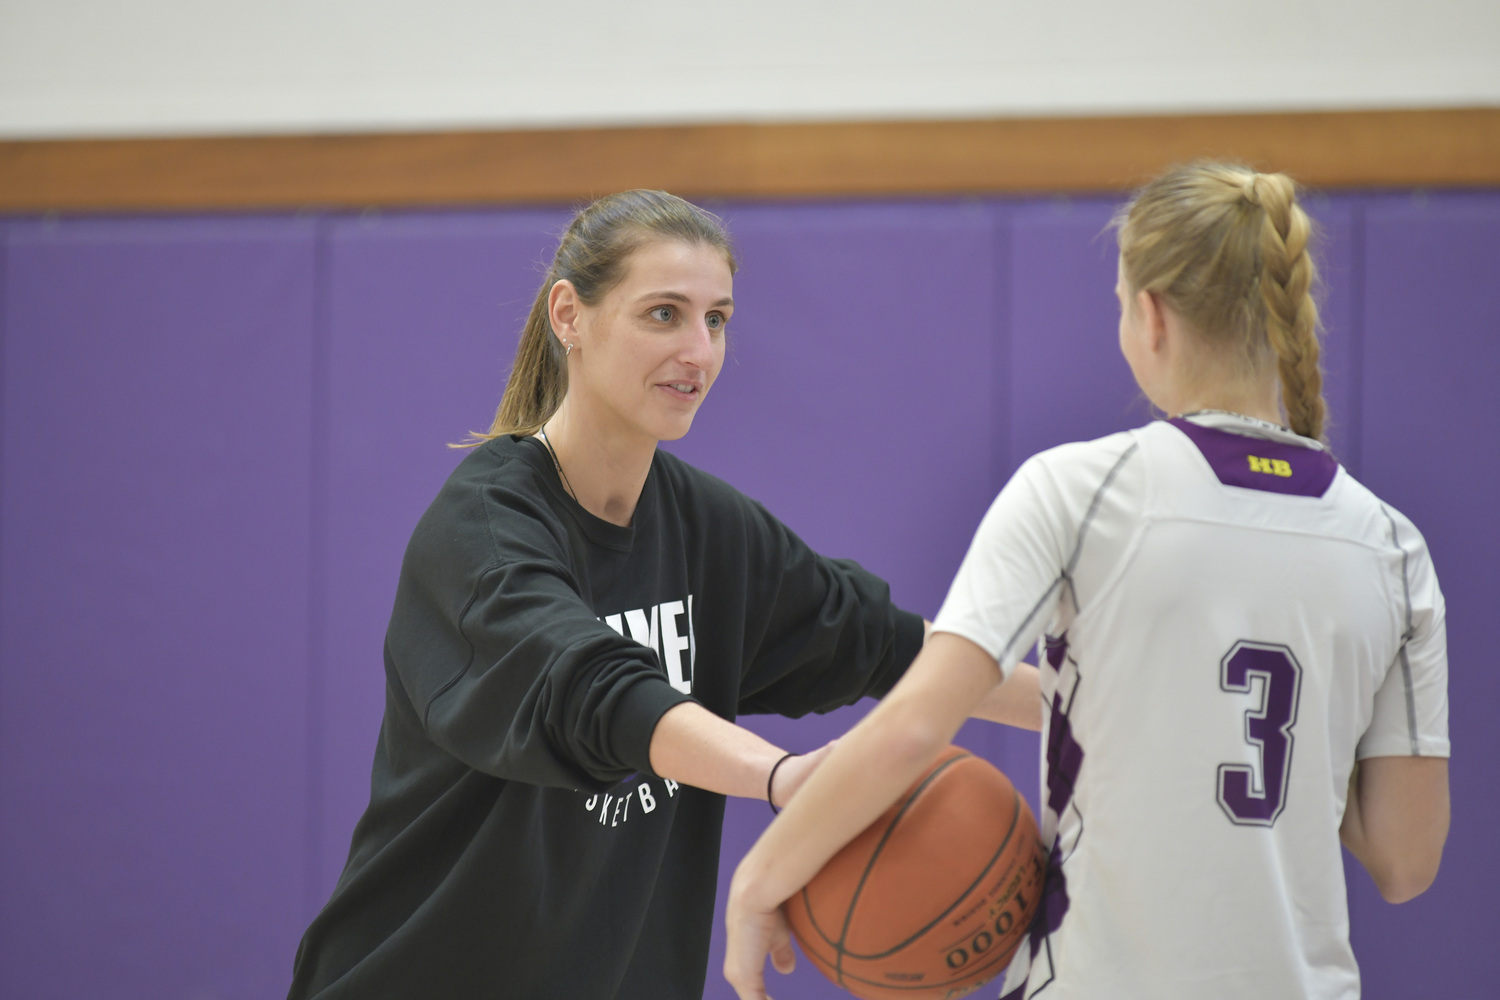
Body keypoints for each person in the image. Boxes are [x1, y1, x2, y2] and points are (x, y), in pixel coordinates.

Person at [286, 190, 1040, 1000]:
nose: (698, 351)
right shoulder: (485, 526)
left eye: (715, 319)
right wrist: (785, 779)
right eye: (663, 314)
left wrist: (1098, 709)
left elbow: (894, 648)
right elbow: (597, 692)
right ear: (569, 315)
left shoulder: (707, 526)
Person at [724, 163, 1451, 1000]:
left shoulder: (1081, 490)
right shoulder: (1392, 546)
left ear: (1149, 314)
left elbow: (913, 732)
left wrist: (759, 881)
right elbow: (1405, 859)